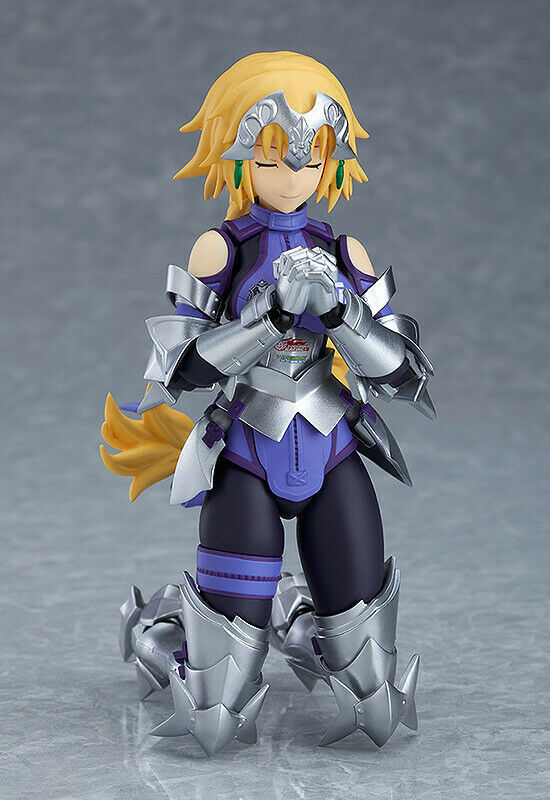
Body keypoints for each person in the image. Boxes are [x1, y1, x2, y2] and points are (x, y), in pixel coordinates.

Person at [102, 51, 435, 756]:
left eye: (312, 158)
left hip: (332, 447)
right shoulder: (219, 250)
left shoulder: (345, 250)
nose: (293, 176)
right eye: (272, 156)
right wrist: (268, 318)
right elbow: (181, 368)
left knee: (376, 697)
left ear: (332, 160)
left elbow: (404, 371)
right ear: (237, 155)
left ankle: (297, 616)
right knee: (217, 711)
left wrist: (343, 315)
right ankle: (158, 635)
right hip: (246, 454)